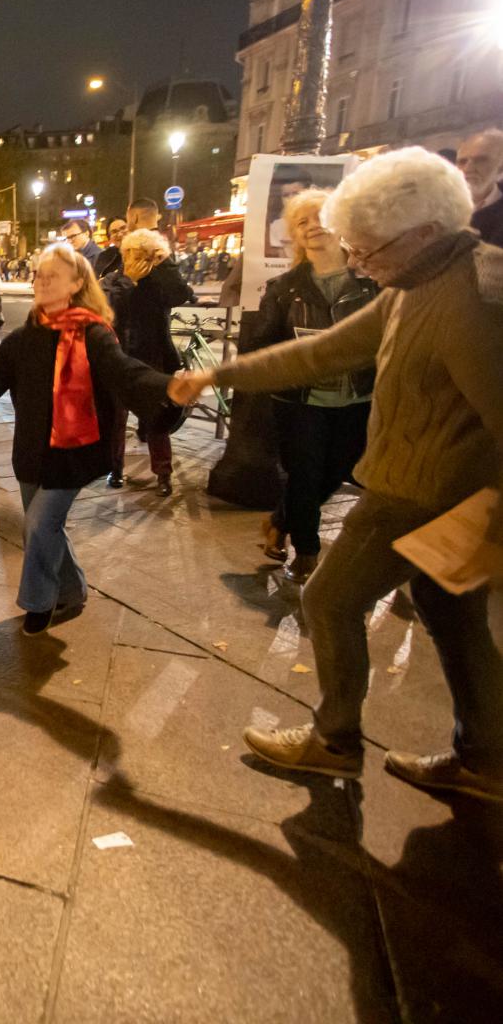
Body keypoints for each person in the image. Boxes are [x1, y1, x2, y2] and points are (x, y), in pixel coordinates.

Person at [170, 146, 503, 801]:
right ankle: (487, 760)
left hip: (423, 494)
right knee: (453, 617)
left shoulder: (472, 299)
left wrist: (491, 525)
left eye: (368, 248)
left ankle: (335, 741)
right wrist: (220, 374)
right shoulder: (418, 282)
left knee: (329, 599)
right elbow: (325, 351)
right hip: (434, 488)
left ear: (425, 232)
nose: (357, 260)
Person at [0, 242, 173, 634]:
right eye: (39, 275)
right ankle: (73, 589)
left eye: (53, 276)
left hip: (75, 455)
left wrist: (169, 389)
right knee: (45, 527)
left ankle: (39, 602)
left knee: (38, 524)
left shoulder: (93, 334)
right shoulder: (21, 340)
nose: (42, 282)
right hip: (32, 452)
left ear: (77, 283)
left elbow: (125, 373)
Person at [242, 188, 377, 582]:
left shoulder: (370, 282)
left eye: (321, 217)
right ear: (295, 235)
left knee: (340, 470)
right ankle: (307, 552)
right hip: (300, 401)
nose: (313, 226)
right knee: (304, 475)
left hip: (358, 397)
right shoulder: (284, 288)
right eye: (302, 222)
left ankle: (280, 521)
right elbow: (259, 345)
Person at [104, 229, 192, 495]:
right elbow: (109, 307)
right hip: (119, 357)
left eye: (146, 255)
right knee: (116, 419)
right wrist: (129, 280)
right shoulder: (114, 280)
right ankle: (115, 469)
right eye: (134, 254)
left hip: (153, 358)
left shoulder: (159, 281)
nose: (139, 260)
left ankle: (163, 473)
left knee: (157, 418)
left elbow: (181, 293)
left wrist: (166, 262)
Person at [456, 127, 503, 247]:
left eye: (480, 160)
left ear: (501, 168)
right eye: (462, 161)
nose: (468, 168)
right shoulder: (440, 207)